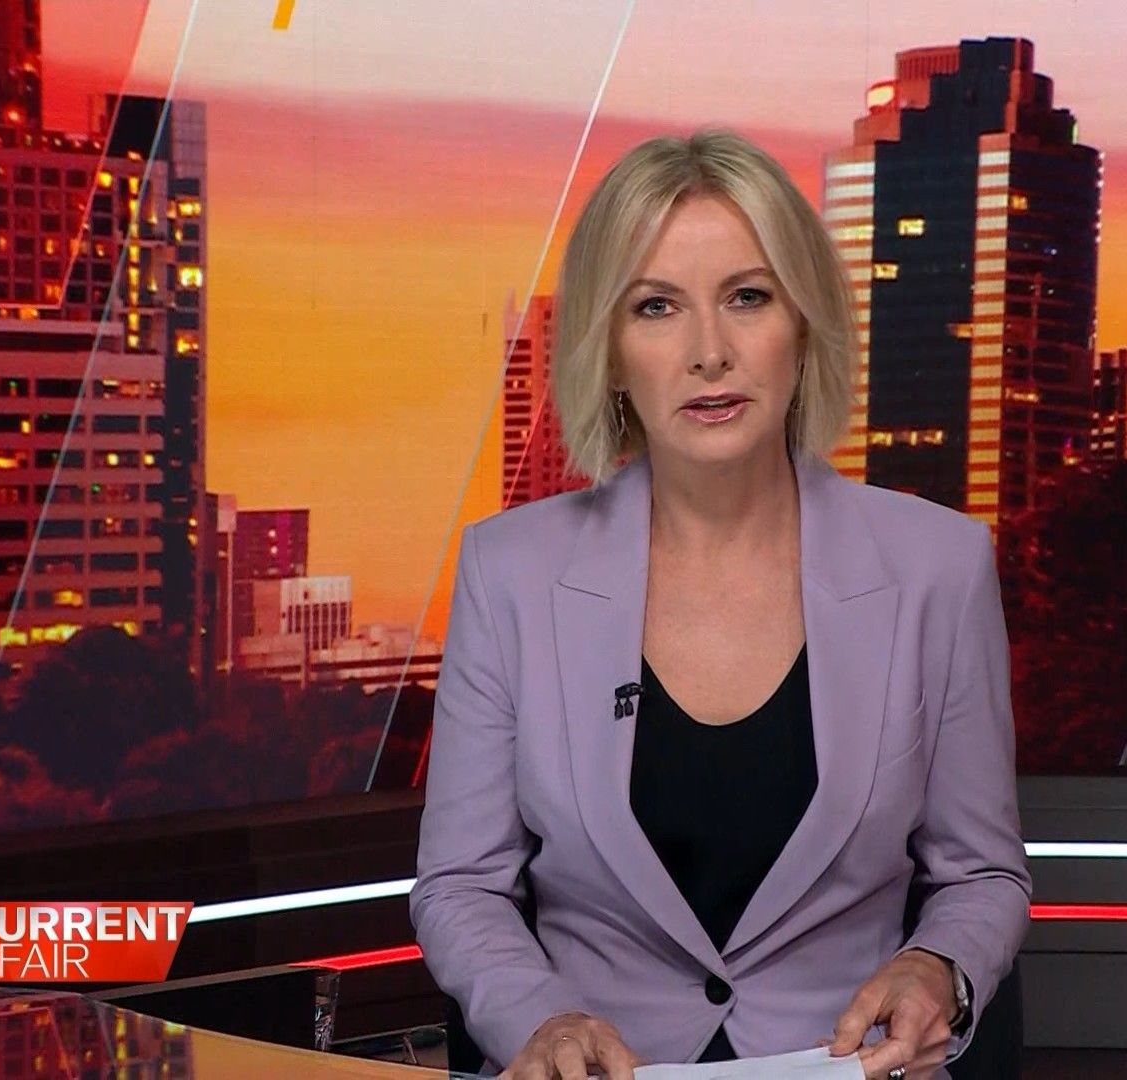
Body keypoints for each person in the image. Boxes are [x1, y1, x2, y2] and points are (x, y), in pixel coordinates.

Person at [411, 129, 1032, 1080]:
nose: (710, 352)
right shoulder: (510, 573)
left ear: (804, 324)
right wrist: (542, 1021)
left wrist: (937, 967)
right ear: (610, 353)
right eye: (656, 307)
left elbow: (982, 874)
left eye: (748, 297)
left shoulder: (938, 567)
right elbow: (461, 886)